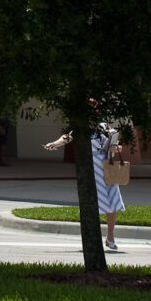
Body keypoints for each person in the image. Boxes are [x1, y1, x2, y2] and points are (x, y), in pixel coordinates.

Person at [48, 106, 127, 251]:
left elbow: (115, 145)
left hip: (106, 167)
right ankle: (93, 236)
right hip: (91, 167)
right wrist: (54, 144)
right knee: (93, 202)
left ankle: (110, 237)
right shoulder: (81, 128)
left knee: (112, 200)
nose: (94, 114)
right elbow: (67, 137)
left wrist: (117, 148)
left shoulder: (104, 127)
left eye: (96, 111)